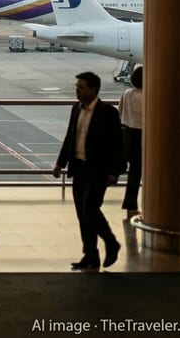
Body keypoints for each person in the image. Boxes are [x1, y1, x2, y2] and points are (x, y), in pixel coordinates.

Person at [53, 71, 125, 270]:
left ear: (93, 89)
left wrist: (115, 171)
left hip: (98, 170)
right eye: (76, 87)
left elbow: (117, 144)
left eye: (81, 88)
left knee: (90, 209)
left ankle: (111, 242)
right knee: (82, 214)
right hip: (79, 167)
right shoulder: (76, 109)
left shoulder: (108, 112)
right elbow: (70, 138)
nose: (77, 91)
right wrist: (60, 163)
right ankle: (90, 254)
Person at [119, 66, 143, 217]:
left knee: (134, 172)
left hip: (128, 134)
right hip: (142, 135)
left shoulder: (127, 93)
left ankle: (131, 206)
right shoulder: (148, 96)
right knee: (143, 172)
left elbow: (120, 111)